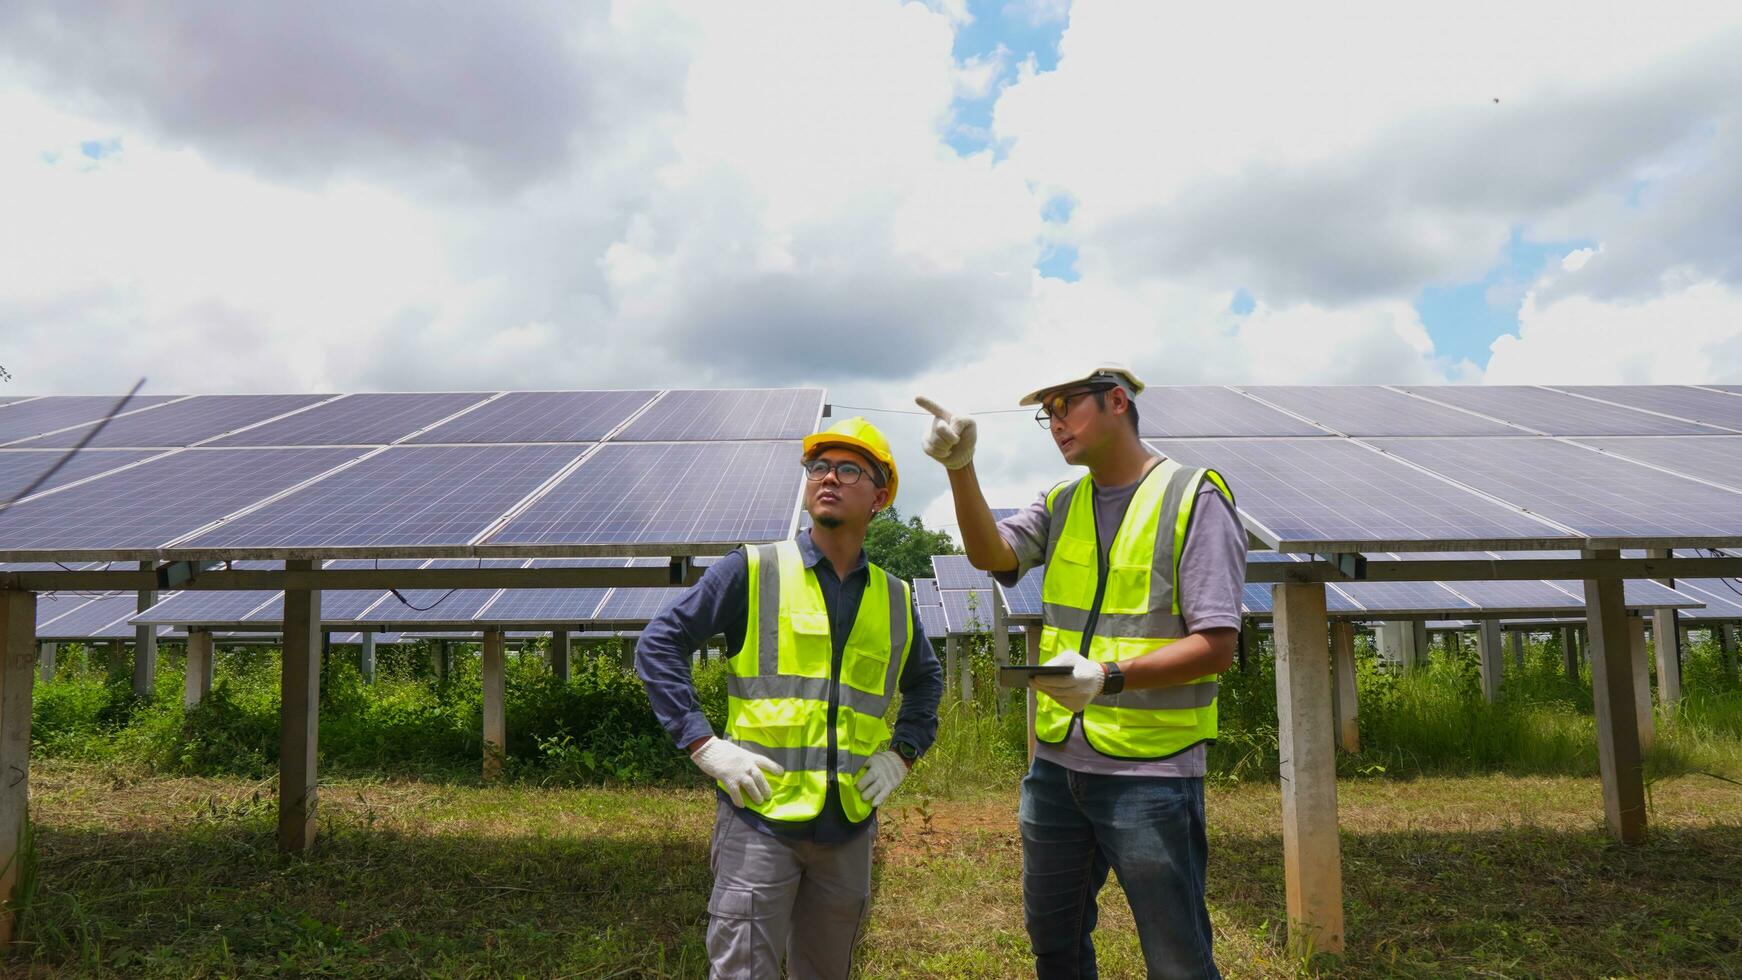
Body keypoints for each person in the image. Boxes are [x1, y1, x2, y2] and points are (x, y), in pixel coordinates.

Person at [918, 366, 1244, 980]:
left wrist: (1108, 676)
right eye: (1048, 412)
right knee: (1055, 943)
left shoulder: (1193, 496)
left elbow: (1216, 645)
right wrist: (960, 468)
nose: (1056, 423)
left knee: (1176, 956)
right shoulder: (1061, 501)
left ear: (1117, 400)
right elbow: (993, 555)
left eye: (1065, 405)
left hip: (1151, 771)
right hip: (1056, 768)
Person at [636, 417, 944, 979]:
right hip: (760, 819)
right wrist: (702, 744)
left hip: (848, 825)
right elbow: (659, 645)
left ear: (879, 496)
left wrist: (903, 753)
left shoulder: (897, 598)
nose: (828, 477)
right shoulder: (752, 569)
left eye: (848, 469)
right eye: (818, 467)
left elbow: (927, 681)